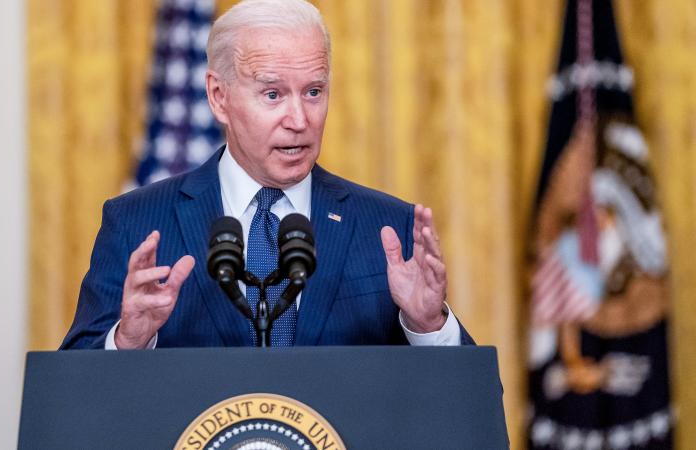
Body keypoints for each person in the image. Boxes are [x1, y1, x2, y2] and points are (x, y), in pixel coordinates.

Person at [61, 0, 475, 350]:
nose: (299, 120)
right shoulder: (135, 223)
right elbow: (72, 394)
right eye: (273, 94)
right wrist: (128, 340)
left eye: (313, 92)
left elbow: (466, 403)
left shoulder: (389, 229)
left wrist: (428, 326)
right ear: (218, 97)